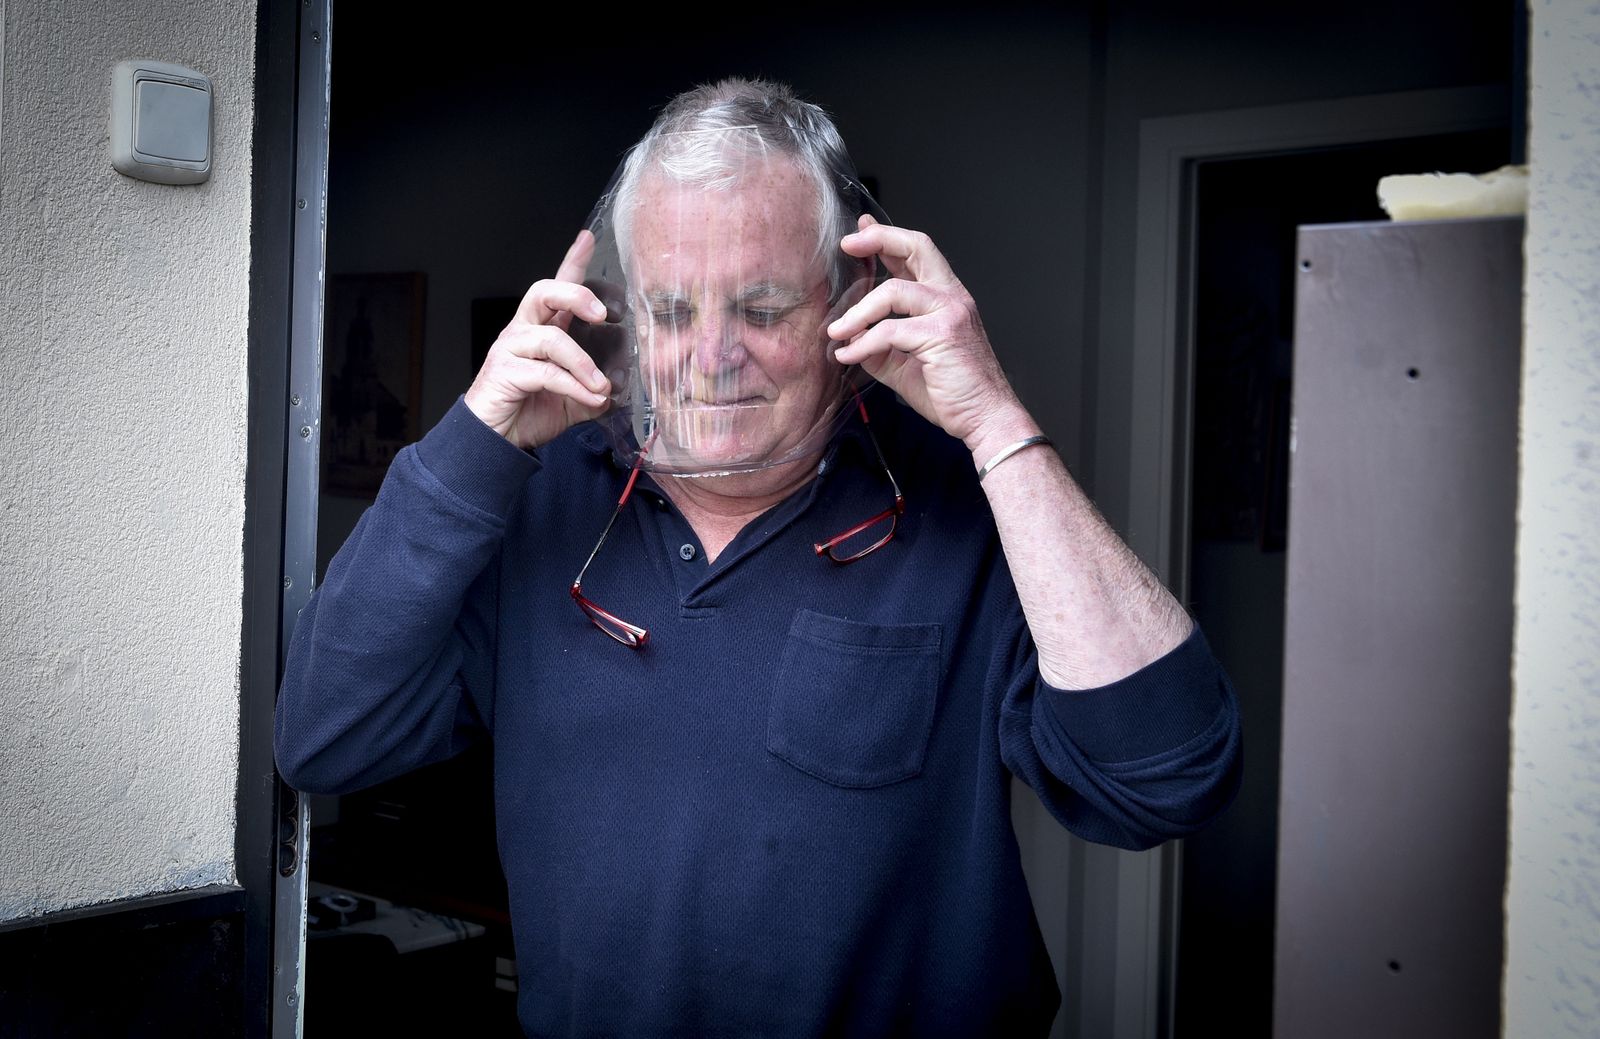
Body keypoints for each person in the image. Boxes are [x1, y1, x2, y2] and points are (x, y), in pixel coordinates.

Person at [275, 78, 1240, 1037]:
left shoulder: (966, 505)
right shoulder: (536, 499)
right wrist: (472, 440)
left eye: (764, 307)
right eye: (670, 310)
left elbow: (1167, 783)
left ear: (851, 301)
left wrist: (996, 426)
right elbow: (325, 739)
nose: (711, 356)